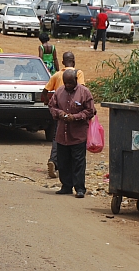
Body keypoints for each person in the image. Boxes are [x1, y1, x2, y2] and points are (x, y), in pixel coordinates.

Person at [48, 69, 96, 198]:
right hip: (62, 135)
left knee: (78, 162)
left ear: (76, 80)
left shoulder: (84, 92)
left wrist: (74, 117)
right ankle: (66, 186)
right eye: (66, 83)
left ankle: (80, 188)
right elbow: (52, 106)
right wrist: (60, 114)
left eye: (70, 82)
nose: (68, 85)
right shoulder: (59, 91)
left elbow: (90, 111)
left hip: (78, 135)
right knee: (63, 162)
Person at [42, 52, 86, 178]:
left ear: (62, 62)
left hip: (60, 112)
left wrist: (47, 102)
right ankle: (70, 168)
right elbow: (81, 91)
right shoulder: (78, 73)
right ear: (74, 61)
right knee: (75, 140)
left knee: (58, 138)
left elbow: (44, 91)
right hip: (74, 113)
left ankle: (54, 161)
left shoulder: (56, 75)